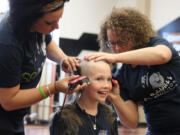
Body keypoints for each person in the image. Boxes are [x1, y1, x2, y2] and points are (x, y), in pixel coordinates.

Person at [85, 7, 180, 135]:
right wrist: (116, 98)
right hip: (156, 131)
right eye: (112, 44)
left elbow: (162, 55)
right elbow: (132, 122)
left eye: (122, 42)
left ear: (135, 36)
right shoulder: (122, 77)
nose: (117, 48)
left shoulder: (155, 44)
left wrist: (114, 58)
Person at [0, 0, 87, 134]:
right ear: (29, 17)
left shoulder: (38, 26)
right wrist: (54, 87)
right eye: (49, 23)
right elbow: (9, 101)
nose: (57, 26)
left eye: (59, 19)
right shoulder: (7, 43)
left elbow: (47, 43)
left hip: (16, 118)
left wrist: (63, 58)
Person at [50, 60, 118, 135]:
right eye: (99, 79)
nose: (106, 86)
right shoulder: (64, 118)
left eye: (109, 79)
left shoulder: (110, 115)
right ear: (82, 81)